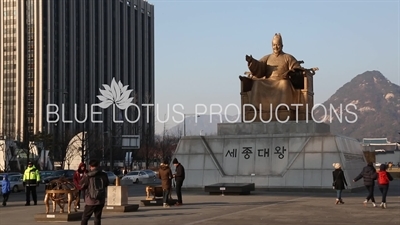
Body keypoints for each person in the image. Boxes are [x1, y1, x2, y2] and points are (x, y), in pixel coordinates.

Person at [244, 33, 304, 112]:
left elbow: (297, 68)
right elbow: (259, 65)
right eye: (274, 45)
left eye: (278, 45)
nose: (276, 47)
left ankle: (283, 106)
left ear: (282, 46)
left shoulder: (288, 57)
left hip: (282, 80)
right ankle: (255, 106)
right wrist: (252, 62)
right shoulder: (267, 57)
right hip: (269, 81)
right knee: (257, 84)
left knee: (284, 84)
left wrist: (290, 73)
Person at [80, 159, 109, 225]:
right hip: (101, 199)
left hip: (91, 199)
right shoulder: (104, 175)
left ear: (90, 166)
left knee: (85, 217)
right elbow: (106, 184)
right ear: (98, 165)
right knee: (97, 217)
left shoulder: (88, 175)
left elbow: (82, 185)